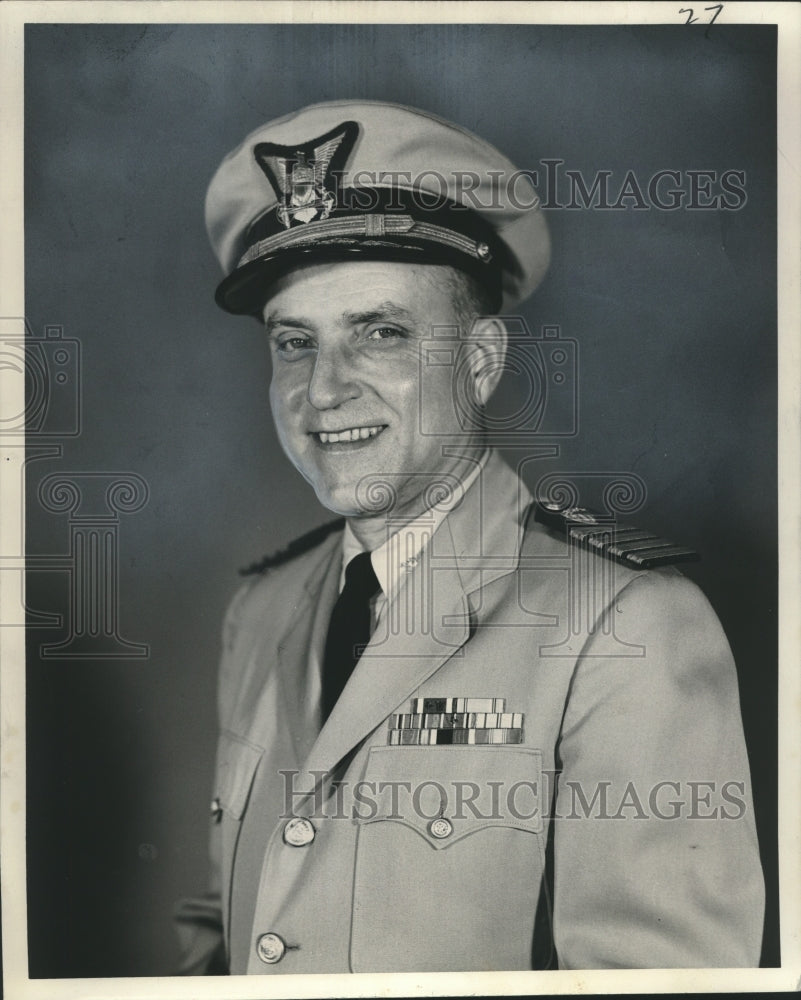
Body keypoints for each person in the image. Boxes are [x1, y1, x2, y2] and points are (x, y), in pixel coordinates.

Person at [175, 101, 764, 974]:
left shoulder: (626, 623)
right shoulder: (259, 610)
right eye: (293, 343)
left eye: (380, 333)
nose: (322, 390)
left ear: (479, 362)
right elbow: (229, 932)